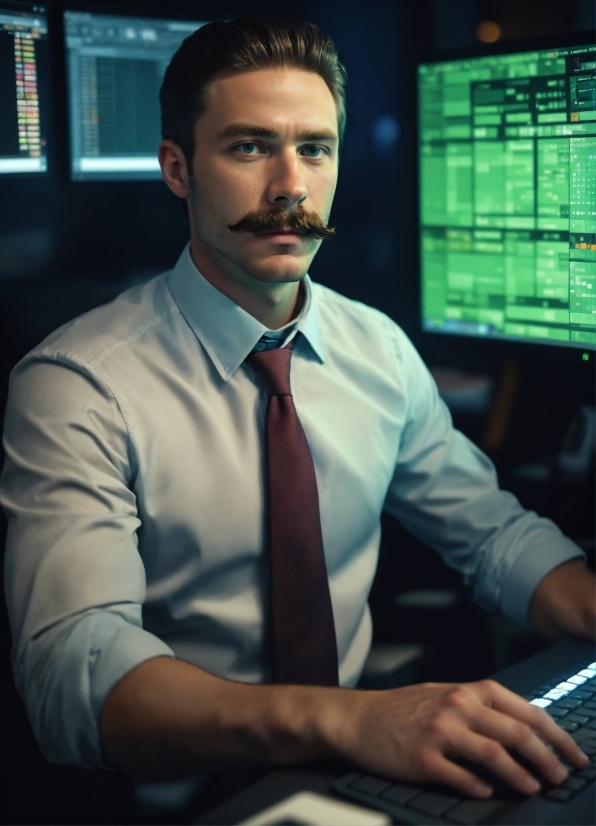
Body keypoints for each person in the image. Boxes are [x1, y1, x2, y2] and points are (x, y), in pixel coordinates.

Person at [1, 15, 594, 804]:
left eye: (314, 148)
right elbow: (73, 676)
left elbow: (492, 535)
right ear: (177, 169)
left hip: (359, 777)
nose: (291, 186)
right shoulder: (77, 384)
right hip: (181, 802)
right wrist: (348, 720)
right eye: (250, 147)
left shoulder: (375, 348)